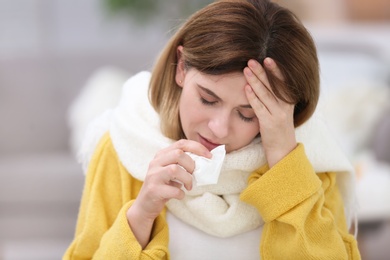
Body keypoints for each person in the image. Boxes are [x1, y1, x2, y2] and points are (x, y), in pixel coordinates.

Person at [63, 0, 361, 259]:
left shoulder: (309, 164)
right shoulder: (125, 148)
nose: (218, 129)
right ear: (181, 67)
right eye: (207, 99)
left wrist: (284, 164)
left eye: (247, 115)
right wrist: (140, 216)